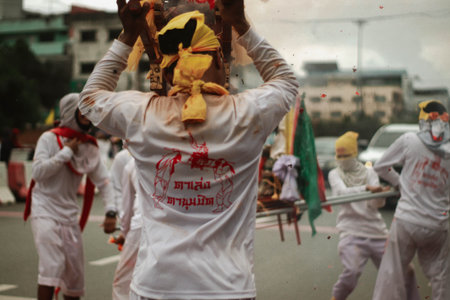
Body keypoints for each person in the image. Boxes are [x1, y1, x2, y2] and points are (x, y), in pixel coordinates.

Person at [78, 0, 299, 298]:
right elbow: (286, 83)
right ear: (220, 61)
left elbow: (89, 98)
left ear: (168, 72)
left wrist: (128, 36)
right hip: (228, 288)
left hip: (155, 287)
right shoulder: (247, 114)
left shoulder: (142, 114)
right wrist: (241, 24)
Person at [26, 93, 117, 300]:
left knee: (75, 276)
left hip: (69, 216)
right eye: (82, 111)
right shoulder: (49, 139)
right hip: (45, 211)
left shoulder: (89, 146)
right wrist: (65, 153)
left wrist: (111, 211)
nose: (88, 116)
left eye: (89, 111)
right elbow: (38, 173)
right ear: (70, 112)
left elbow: (104, 181)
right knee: (52, 268)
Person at [372, 100, 450, 300]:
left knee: (392, 272)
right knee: (441, 276)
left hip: (407, 220)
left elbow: (381, 166)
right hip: (438, 225)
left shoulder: (409, 140)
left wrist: (399, 183)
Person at [328, 131, 405, 300]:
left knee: (394, 274)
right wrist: (366, 189)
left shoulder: (369, 172)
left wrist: (379, 194)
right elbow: (340, 194)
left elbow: (375, 205)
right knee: (351, 272)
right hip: (351, 232)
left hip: (376, 232)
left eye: (346, 155)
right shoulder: (334, 174)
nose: (342, 159)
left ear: (354, 154)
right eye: (338, 155)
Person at [111, 152, 142, 300]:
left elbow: (127, 206)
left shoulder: (132, 163)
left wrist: (124, 232)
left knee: (122, 284)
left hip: (141, 227)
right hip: (177, 227)